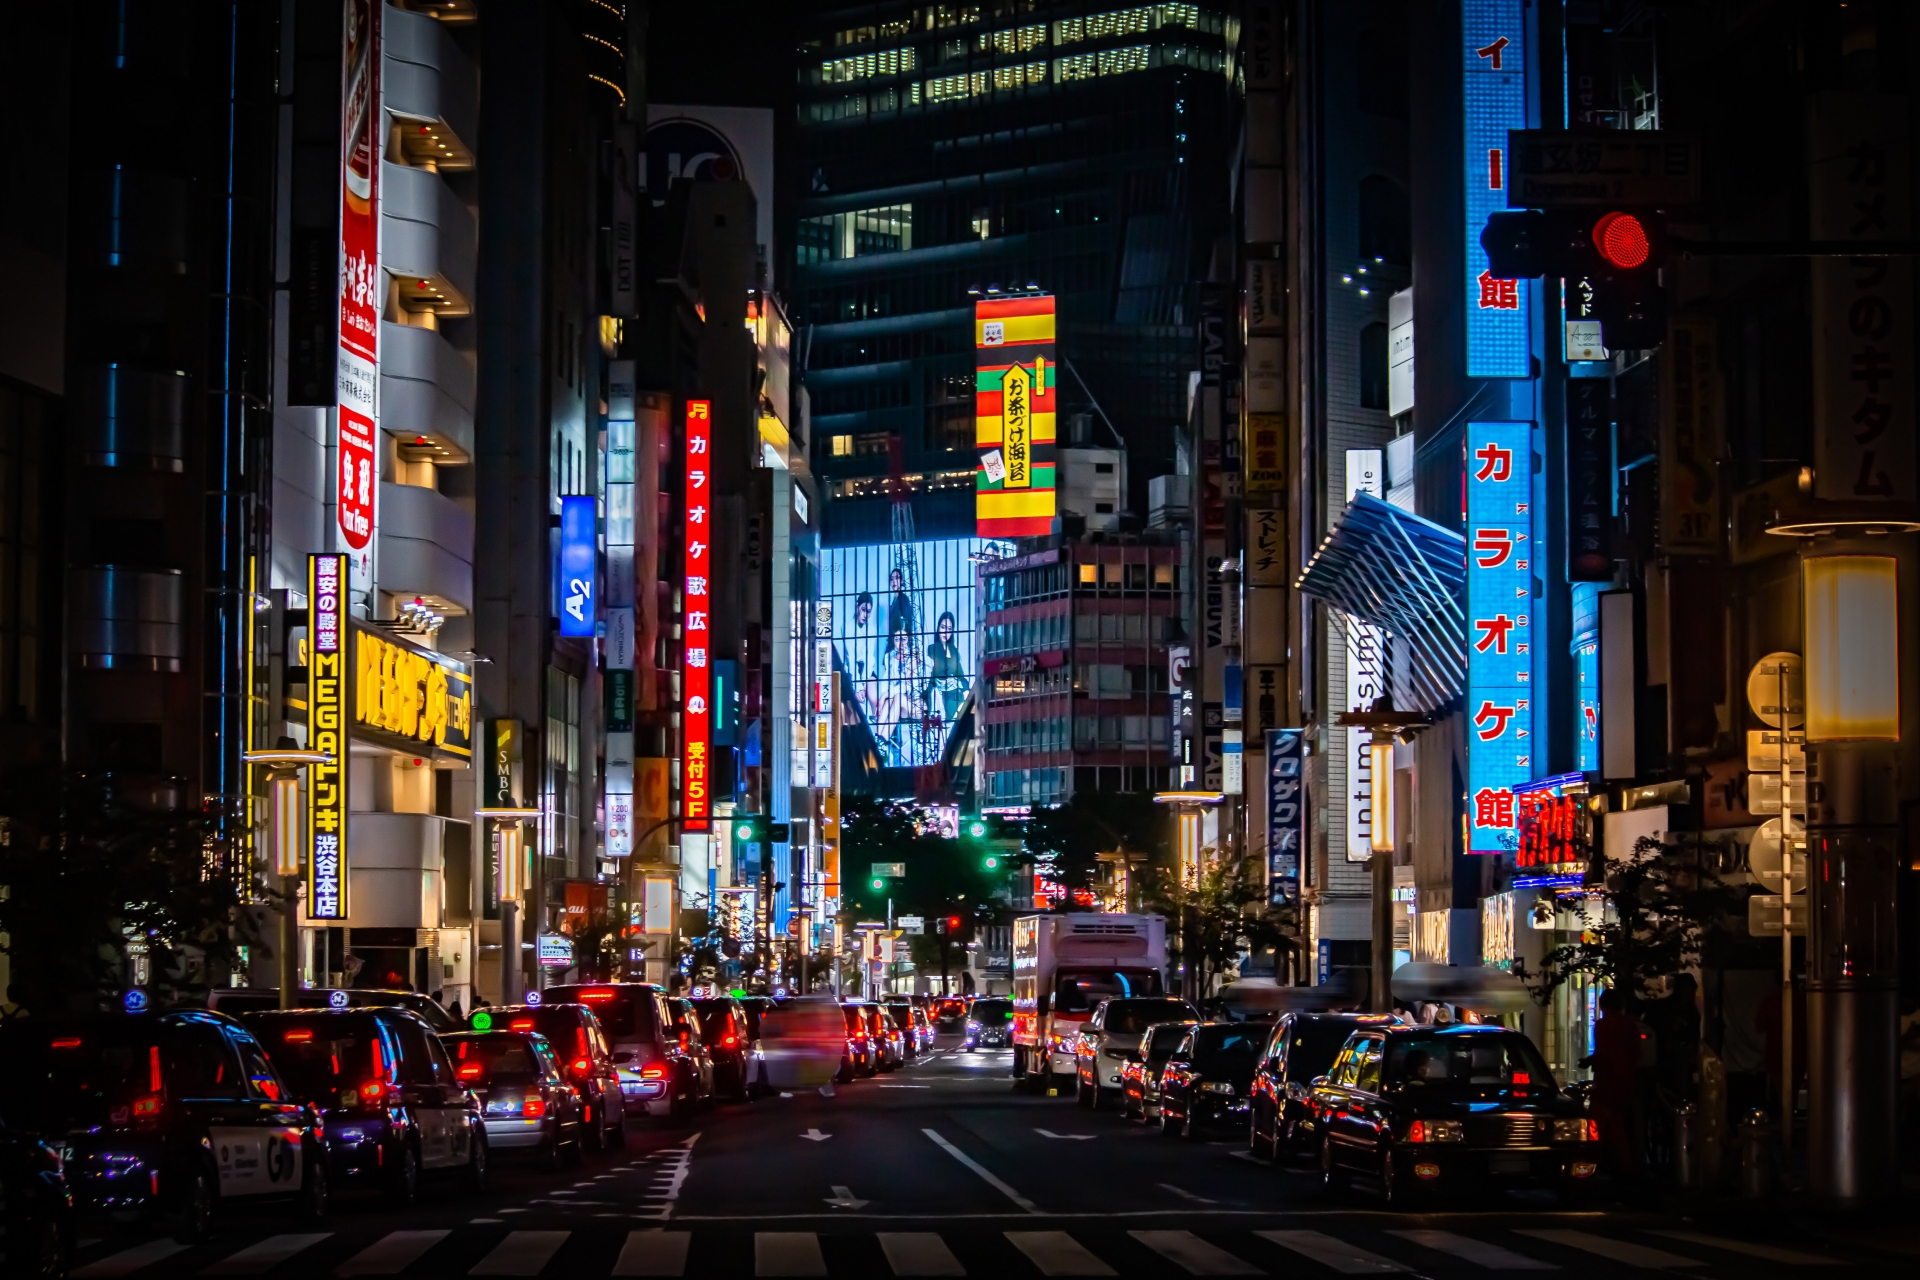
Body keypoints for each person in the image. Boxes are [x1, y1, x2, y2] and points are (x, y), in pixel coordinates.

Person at [927, 610, 967, 720]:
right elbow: (936, 672)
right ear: (938, 628)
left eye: (949, 629)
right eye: (943, 627)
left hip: (955, 692)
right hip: (940, 692)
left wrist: (967, 690)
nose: (945, 632)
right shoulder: (932, 649)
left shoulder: (954, 650)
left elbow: (960, 674)